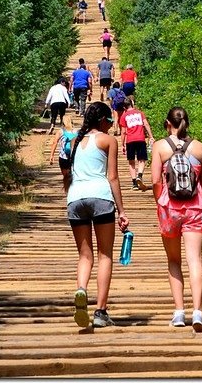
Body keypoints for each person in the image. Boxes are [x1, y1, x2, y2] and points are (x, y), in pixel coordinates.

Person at [64, 101, 129, 328]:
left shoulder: (74, 141)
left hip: (75, 198)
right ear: (102, 120)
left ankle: (81, 290)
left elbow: (66, 171)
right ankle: (100, 312)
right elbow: (112, 177)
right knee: (105, 255)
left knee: (84, 256)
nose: (111, 125)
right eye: (110, 121)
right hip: (100, 197)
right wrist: (121, 210)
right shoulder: (108, 140)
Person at [149, 106, 202, 331]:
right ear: (187, 123)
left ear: (167, 123)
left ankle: (178, 313)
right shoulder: (200, 147)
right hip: (195, 207)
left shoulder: (160, 146)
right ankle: (198, 313)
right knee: (195, 259)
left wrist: (160, 202)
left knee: (174, 260)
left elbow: (156, 180)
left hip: (169, 209)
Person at [119, 99, 155, 190]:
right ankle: (140, 175)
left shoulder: (124, 116)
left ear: (124, 107)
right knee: (141, 159)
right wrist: (151, 136)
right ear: (132, 104)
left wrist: (122, 144)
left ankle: (134, 183)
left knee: (131, 162)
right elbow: (146, 124)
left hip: (130, 140)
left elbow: (123, 132)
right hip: (140, 139)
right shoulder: (140, 113)